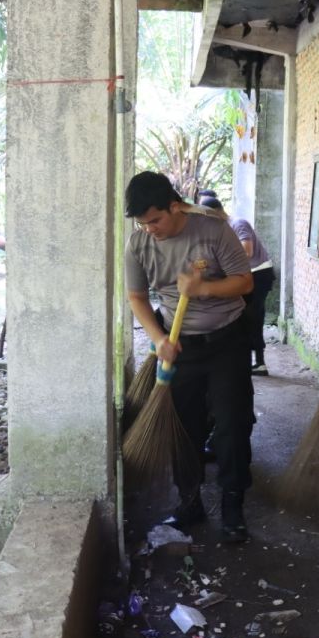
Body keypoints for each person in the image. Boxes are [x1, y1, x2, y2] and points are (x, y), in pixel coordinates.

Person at [124, 172, 255, 543]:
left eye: (155, 220)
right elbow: (137, 298)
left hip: (226, 340)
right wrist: (159, 338)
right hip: (179, 346)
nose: (149, 229)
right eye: (141, 223)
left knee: (232, 425)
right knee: (185, 427)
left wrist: (204, 288)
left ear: (175, 206)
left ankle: (233, 507)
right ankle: (190, 501)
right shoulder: (139, 244)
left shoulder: (212, 231)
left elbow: (244, 282)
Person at [198, 195, 275, 375]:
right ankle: (251, 361)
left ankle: (259, 362)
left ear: (216, 213)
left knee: (252, 317)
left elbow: (245, 252)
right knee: (247, 318)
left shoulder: (238, 224)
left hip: (259, 275)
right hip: (250, 275)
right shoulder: (225, 228)